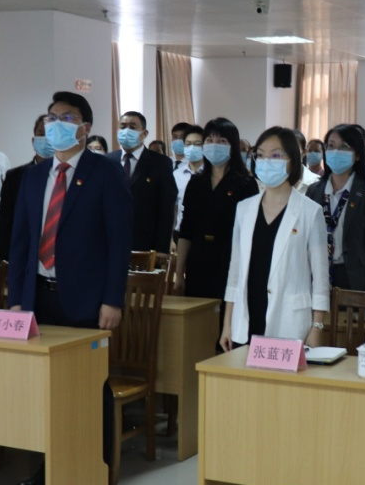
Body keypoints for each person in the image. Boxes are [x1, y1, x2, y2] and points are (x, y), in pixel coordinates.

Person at [6, 92, 132, 485]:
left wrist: (113, 299)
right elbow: (20, 241)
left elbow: (119, 241)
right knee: (45, 386)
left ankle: (96, 464)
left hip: (86, 299)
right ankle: (49, 465)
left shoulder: (104, 171)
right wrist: (15, 298)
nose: (56, 124)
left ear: (85, 127)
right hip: (38, 297)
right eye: (51, 117)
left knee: (90, 385)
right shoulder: (34, 175)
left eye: (67, 117)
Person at [220, 127, 330, 485]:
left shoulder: (309, 210)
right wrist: (228, 321)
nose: (267, 162)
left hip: (291, 325)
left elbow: (321, 277)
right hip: (250, 322)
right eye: (261, 154)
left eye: (277, 155)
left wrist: (317, 325)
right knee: (259, 413)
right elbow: (235, 270)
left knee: (286, 412)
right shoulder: (244, 208)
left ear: (293, 162)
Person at [174, 117, 259, 331]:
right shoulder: (196, 182)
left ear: (233, 146)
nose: (214, 145)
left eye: (221, 141)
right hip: (198, 263)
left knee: (226, 326)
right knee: (198, 326)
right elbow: (186, 230)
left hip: (229, 263)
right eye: (209, 140)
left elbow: (249, 233)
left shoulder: (246, 184)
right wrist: (179, 273)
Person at [305, 124, 365, 291]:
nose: (336, 152)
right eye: (331, 146)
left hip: (353, 279)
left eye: (344, 146)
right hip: (317, 274)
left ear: (357, 155)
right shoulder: (314, 190)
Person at [110, 110, 177, 252]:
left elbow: (166, 208)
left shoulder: (160, 163)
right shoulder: (108, 160)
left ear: (144, 134)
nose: (126, 131)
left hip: (145, 242)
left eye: (132, 127)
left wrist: (162, 248)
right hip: (110, 239)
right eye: (123, 127)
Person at [0, 115, 51, 262]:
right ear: (33, 140)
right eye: (41, 134)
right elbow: (6, 224)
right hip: (24, 255)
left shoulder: (68, 175)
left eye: (50, 134)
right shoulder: (15, 177)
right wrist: (5, 263)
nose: (46, 139)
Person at [172, 124, 205, 235]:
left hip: (204, 232)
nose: (192, 148)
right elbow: (173, 208)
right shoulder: (176, 174)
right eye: (188, 144)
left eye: (197, 144)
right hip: (180, 231)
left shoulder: (211, 174)